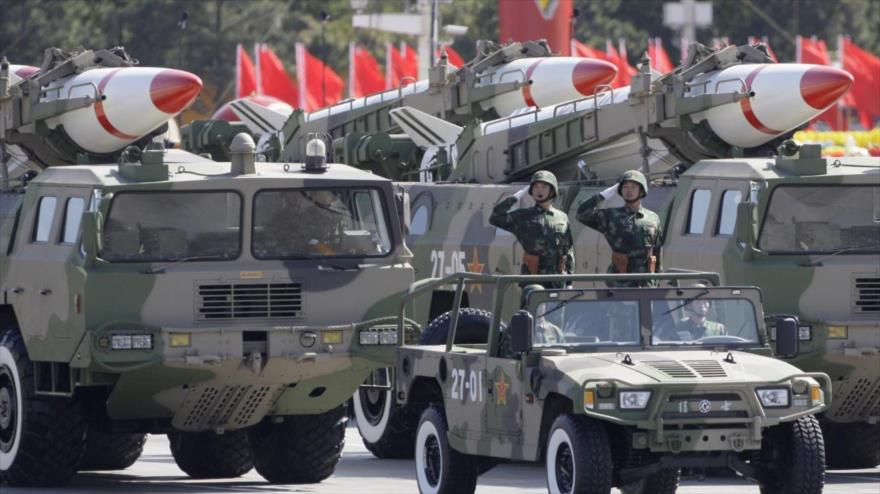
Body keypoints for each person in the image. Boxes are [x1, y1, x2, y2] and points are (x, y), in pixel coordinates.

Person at [576, 169, 662, 287]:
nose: (629, 190)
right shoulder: (611, 216)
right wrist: (604, 195)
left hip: (646, 282)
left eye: (633, 187)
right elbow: (581, 214)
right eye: (625, 187)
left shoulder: (653, 218)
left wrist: (657, 279)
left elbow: (657, 250)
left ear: (641, 191)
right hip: (620, 281)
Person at [489, 170, 574, 289]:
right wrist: (515, 197)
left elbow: (568, 249)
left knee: (558, 307)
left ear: (552, 190)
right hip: (533, 278)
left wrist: (569, 281)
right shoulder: (523, 216)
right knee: (534, 306)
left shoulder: (562, 217)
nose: (539, 190)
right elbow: (495, 218)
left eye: (544, 187)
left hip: (557, 280)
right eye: (535, 187)